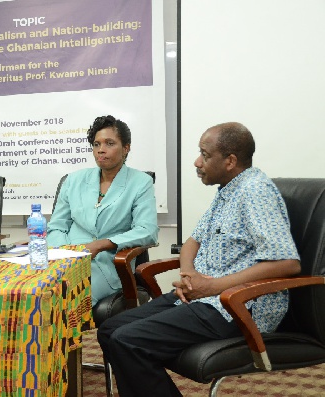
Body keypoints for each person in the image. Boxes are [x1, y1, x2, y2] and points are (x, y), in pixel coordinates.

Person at [97, 122, 301, 396]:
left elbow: (288, 263)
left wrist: (213, 287)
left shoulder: (255, 191)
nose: (197, 162)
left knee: (128, 341)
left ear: (230, 161)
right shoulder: (228, 190)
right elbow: (193, 241)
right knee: (110, 329)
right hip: (202, 296)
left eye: (205, 155)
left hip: (234, 307)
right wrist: (188, 275)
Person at [47, 115, 159, 307]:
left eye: (109, 143)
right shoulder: (73, 180)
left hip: (107, 264)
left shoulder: (141, 182)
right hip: (66, 259)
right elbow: (57, 226)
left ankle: (64, 336)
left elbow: (147, 231)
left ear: (126, 148)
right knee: (34, 291)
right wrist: (66, 252)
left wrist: (101, 245)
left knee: (64, 297)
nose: (101, 150)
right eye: (96, 144)